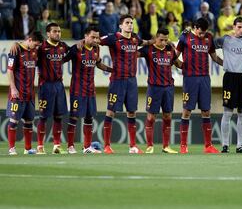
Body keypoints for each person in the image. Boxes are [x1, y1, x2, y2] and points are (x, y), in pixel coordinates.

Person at [10, 23, 71, 154]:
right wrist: (16, 43)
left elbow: (73, 52)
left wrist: (81, 43)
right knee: (43, 116)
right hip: (45, 85)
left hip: (59, 85)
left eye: (59, 31)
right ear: (48, 33)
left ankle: (57, 146)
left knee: (59, 116)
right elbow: (26, 46)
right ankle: (39, 146)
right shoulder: (40, 47)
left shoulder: (63, 46)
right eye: (55, 31)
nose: (58, 34)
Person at [99, 14, 154, 154]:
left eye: (131, 22)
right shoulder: (113, 38)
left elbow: (145, 43)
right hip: (117, 80)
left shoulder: (135, 38)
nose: (130, 25)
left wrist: (156, 41)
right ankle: (106, 145)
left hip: (131, 81)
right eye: (127, 22)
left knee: (132, 112)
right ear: (121, 25)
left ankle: (133, 146)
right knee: (111, 112)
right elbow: (96, 41)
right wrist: (83, 41)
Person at [176, 18, 223, 154]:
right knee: (186, 111)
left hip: (204, 79)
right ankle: (183, 145)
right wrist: (179, 64)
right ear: (195, 27)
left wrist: (227, 64)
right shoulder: (185, 37)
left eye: (204, 33)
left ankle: (208, 146)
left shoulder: (209, 37)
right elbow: (175, 56)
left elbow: (214, 57)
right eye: (200, 33)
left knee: (206, 111)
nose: (202, 35)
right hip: (190, 79)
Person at [63, 26, 112, 154]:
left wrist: (112, 70)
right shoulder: (76, 48)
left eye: (97, 37)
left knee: (89, 118)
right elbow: (62, 59)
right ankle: (70, 146)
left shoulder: (96, 48)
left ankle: (86, 147)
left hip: (90, 89)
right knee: (74, 117)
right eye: (93, 37)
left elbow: (98, 64)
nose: (95, 39)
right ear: (85, 36)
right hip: (77, 89)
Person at [214, 16, 242, 154]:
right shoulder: (225, 39)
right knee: (227, 112)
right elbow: (209, 45)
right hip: (230, 78)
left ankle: (240, 145)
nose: (241, 29)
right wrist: (222, 62)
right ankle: (225, 145)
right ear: (233, 27)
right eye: (239, 27)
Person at [138, 28, 182, 154]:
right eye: (161, 40)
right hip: (154, 87)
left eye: (166, 40)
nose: (163, 42)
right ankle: (149, 146)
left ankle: (166, 146)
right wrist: (147, 42)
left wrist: (190, 65)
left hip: (168, 87)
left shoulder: (170, 50)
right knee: (151, 117)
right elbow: (133, 53)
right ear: (156, 38)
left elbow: (177, 63)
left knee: (167, 116)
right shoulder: (148, 49)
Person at [7, 31, 44, 155]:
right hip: (17, 93)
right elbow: (10, 70)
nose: (37, 47)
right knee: (14, 121)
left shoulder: (34, 52)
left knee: (29, 121)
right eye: (36, 44)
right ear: (29, 40)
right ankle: (11, 148)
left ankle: (27, 149)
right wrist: (13, 88)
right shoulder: (15, 50)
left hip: (30, 93)